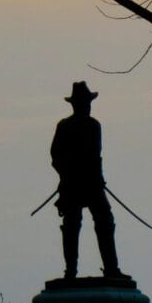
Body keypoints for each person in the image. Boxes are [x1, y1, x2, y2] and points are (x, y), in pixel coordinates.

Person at [51, 81, 126, 280]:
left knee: (104, 221)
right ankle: (71, 271)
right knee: (72, 225)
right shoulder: (66, 126)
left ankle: (111, 268)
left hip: (91, 183)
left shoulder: (93, 126)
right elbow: (55, 156)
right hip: (74, 184)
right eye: (84, 102)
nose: (87, 106)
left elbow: (96, 155)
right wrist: (67, 175)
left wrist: (97, 179)